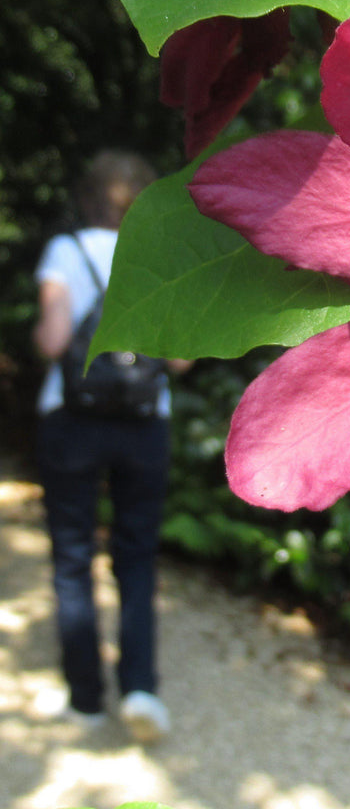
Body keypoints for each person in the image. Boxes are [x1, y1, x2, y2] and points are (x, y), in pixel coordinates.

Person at [32, 149, 188, 742]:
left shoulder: (65, 253)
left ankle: (86, 699)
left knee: (72, 561)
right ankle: (142, 689)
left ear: (87, 195)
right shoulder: (158, 257)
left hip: (71, 421)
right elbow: (181, 356)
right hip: (145, 424)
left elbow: (51, 343)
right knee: (137, 559)